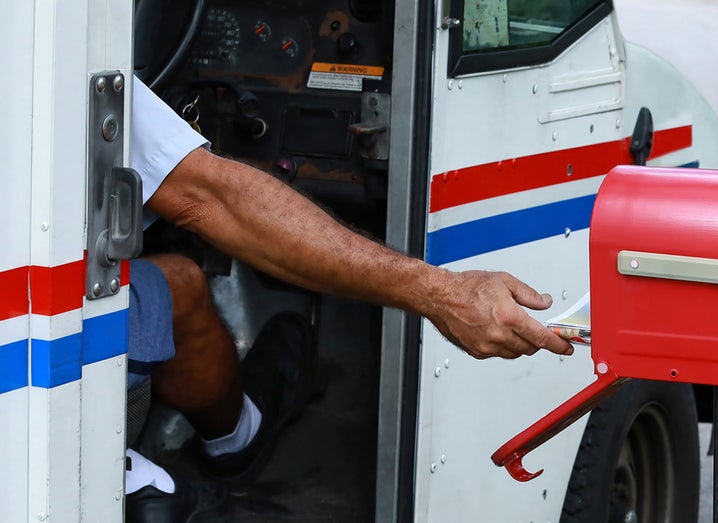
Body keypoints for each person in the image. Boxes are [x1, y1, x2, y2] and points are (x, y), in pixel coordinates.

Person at [123, 76, 574, 522]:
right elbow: (211, 198)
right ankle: (227, 444)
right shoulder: (84, 68)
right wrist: (445, 293)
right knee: (180, 282)